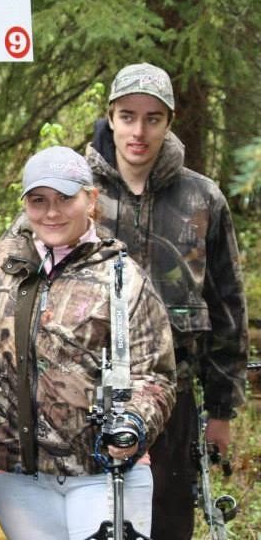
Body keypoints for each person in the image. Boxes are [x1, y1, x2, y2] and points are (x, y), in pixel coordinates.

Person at [0, 145, 176, 539]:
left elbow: (155, 375)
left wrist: (133, 423)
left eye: (64, 199)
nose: (51, 212)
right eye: (39, 201)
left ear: (90, 198)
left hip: (102, 472)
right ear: (25, 204)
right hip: (12, 473)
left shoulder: (123, 276)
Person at [87, 62, 249, 539]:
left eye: (153, 118)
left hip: (174, 399)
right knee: (92, 519)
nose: (139, 130)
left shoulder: (203, 199)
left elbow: (227, 308)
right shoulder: (75, 193)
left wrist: (220, 411)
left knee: (168, 516)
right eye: (128, 116)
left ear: (169, 121)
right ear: (111, 117)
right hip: (85, 395)